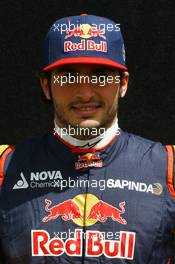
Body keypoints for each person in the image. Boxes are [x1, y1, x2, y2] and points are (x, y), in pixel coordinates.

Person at [0, 14, 174, 264]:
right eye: (68, 76)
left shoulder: (167, 166)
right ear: (46, 86)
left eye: (100, 75)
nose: (85, 92)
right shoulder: (6, 167)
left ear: (123, 83)